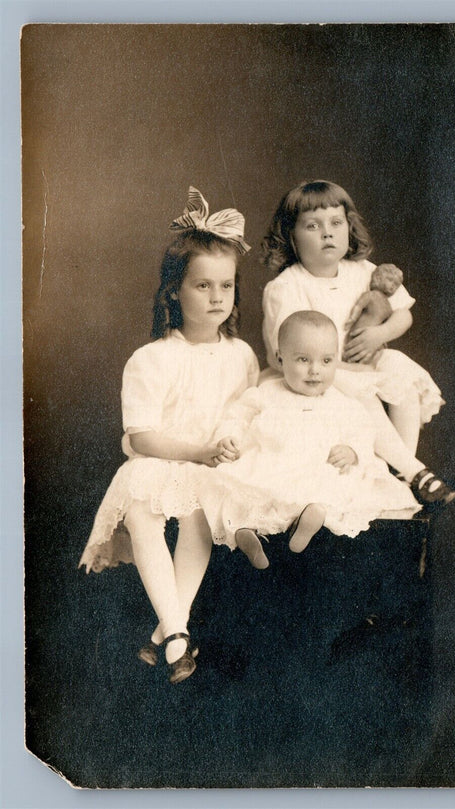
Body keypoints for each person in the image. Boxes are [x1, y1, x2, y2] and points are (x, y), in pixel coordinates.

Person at [79, 187, 259, 683]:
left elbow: (247, 413)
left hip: (212, 468)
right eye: (203, 286)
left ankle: (165, 633)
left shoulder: (242, 356)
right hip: (163, 458)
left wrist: (225, 446)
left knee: (199, 512)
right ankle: (177, 633)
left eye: (226, 286)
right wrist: (198, 451)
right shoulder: (152, 359)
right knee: (142, 508)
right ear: (174, 291)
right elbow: (141, 439)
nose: (218, 297)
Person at [261, 179, 455, 504]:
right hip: (320, 372)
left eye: (336, 223)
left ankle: (403, 471)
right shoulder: (286, 287)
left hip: (364, 363)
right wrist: (340, 366)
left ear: (348, 228)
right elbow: (281, 354)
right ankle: (415, 472)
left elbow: (403, 315)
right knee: (360, 389)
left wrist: (380, 334)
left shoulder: (362, 271)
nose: (327, 233)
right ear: (291, 236)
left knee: (400, 369)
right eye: (313, 225)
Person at [195, 311, 422, 570]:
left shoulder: (340, 400)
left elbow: (362, 430)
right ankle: (246, 534)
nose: (315, 370)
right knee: (240, 486)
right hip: (271, 464)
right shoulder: (266, 392)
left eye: (326, 361)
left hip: (317, 466)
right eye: (303, 360)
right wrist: (229, 438)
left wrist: (352, 450)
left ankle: (306, 521)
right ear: (281, 359)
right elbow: (237, 416)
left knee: (329, 485)